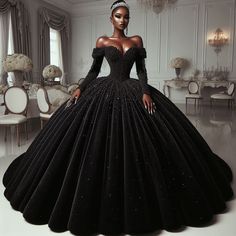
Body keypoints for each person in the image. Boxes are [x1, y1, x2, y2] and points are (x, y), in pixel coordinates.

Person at [2, 0, 233, 235]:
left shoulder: (136, 41)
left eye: (126, 17)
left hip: (132, 89)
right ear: (111, 18)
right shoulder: (103, 41)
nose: (123, 20)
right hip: (104, 87)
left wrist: (145, 92)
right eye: (119, 16)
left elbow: (141, 70)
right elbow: (94, 70)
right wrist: (80, 89)